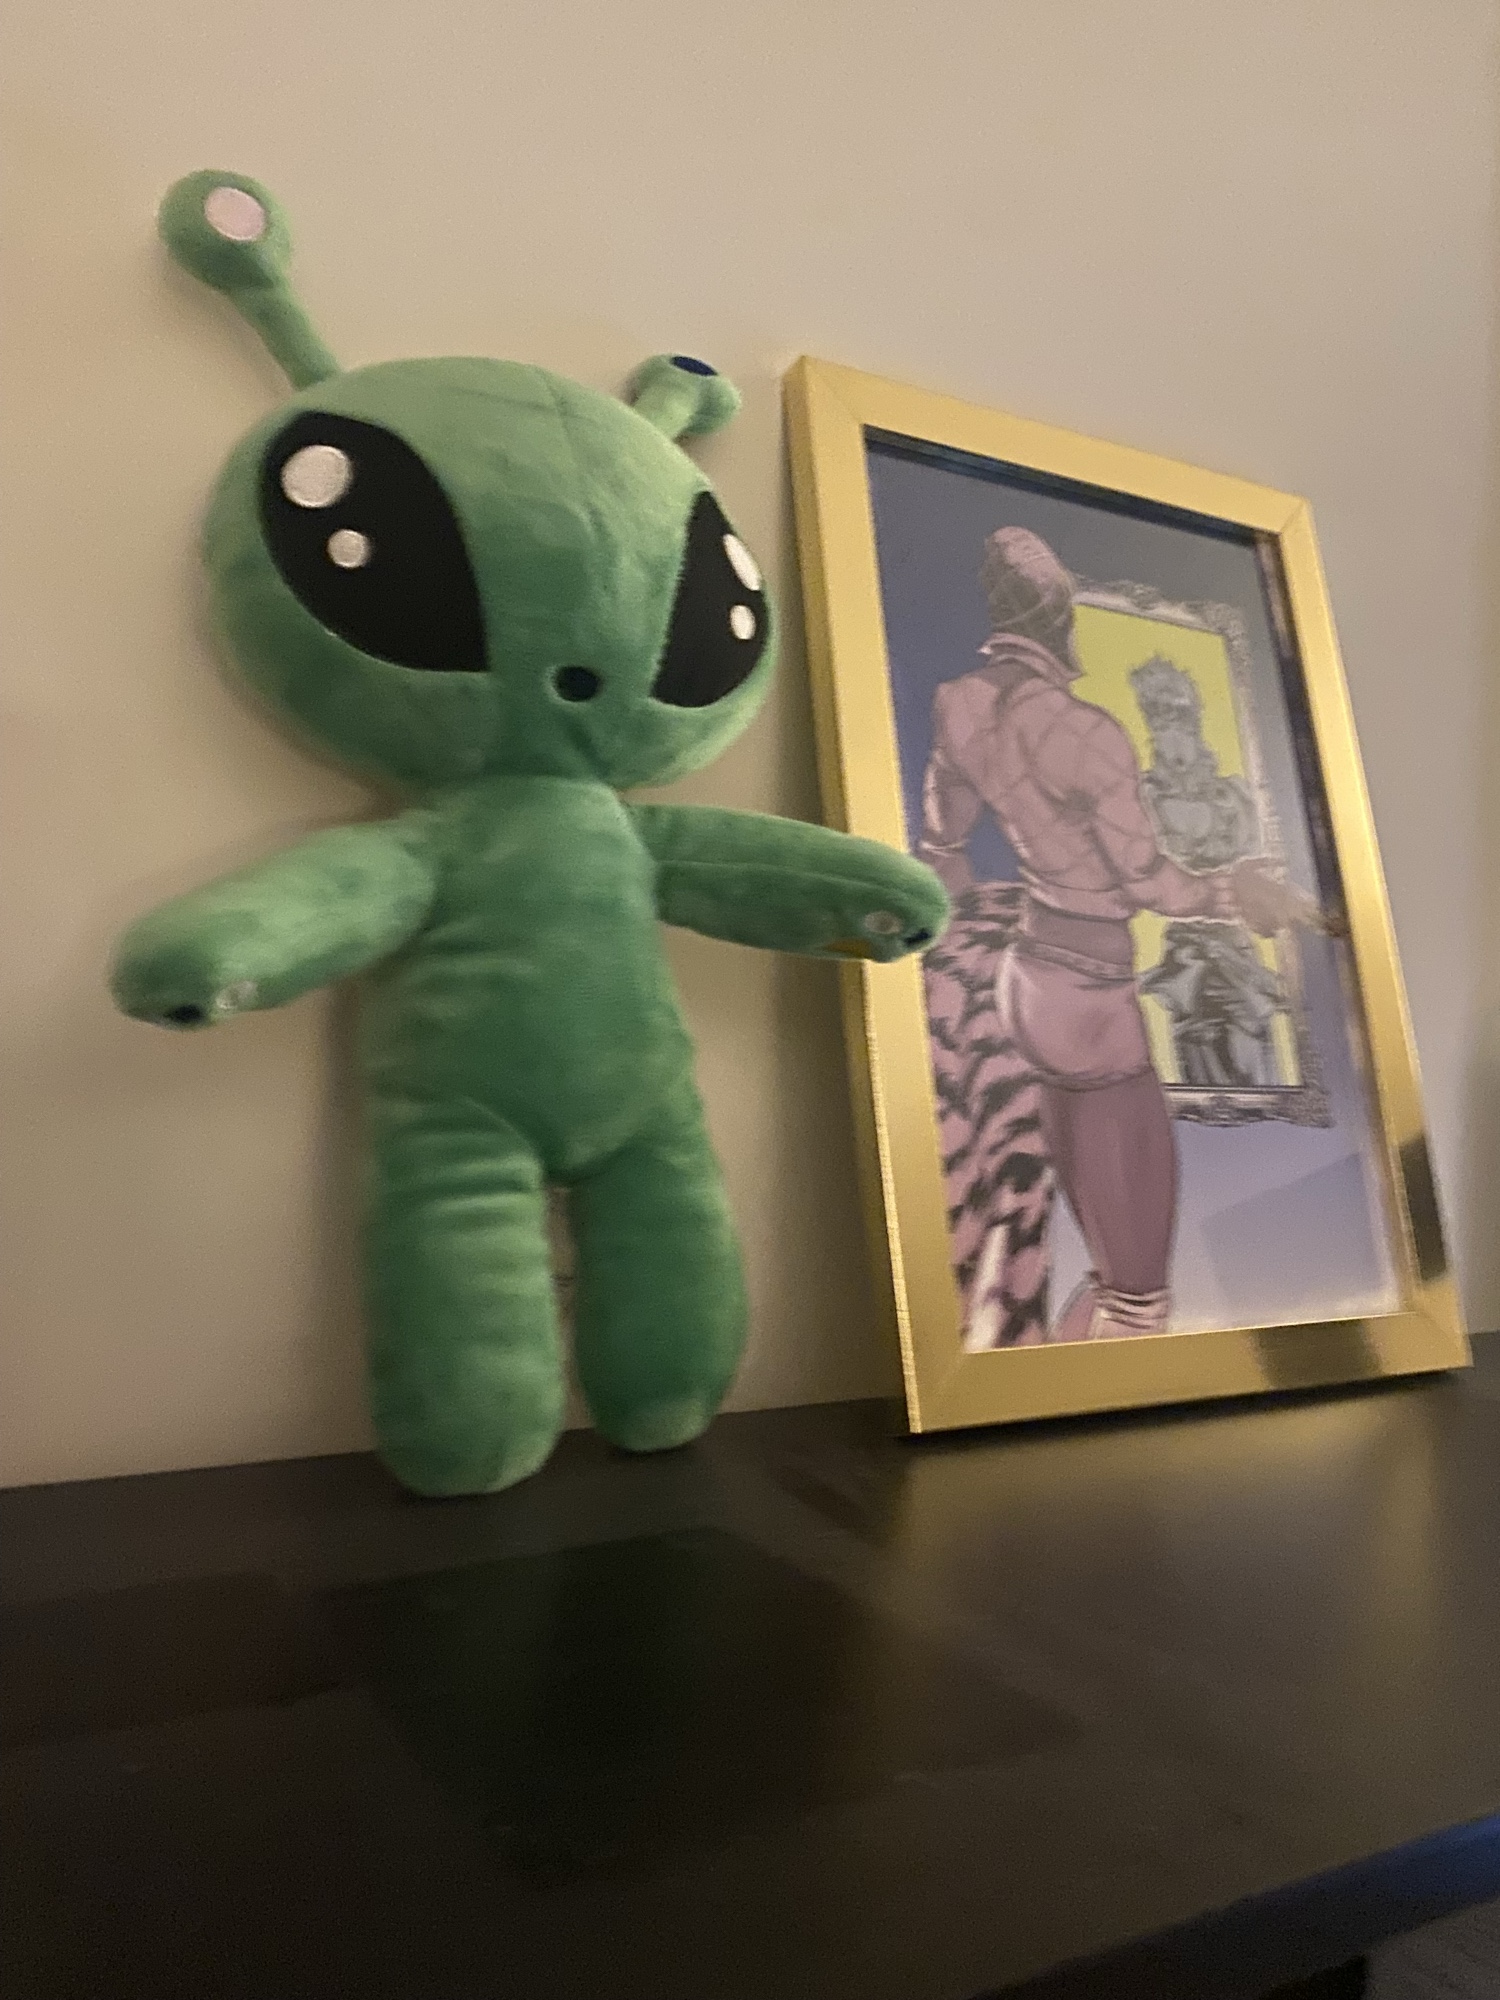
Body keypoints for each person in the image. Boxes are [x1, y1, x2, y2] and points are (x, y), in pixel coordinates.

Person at [917, 527, 1315, 1343]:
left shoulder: (959, 702)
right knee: (1138, 1295)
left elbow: (943, 844)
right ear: (1061, 616)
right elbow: (1146, 884)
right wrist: (1233, 892)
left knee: (1106, 1264)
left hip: (1026, 982)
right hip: (1093, 994)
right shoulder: (1084, 730)